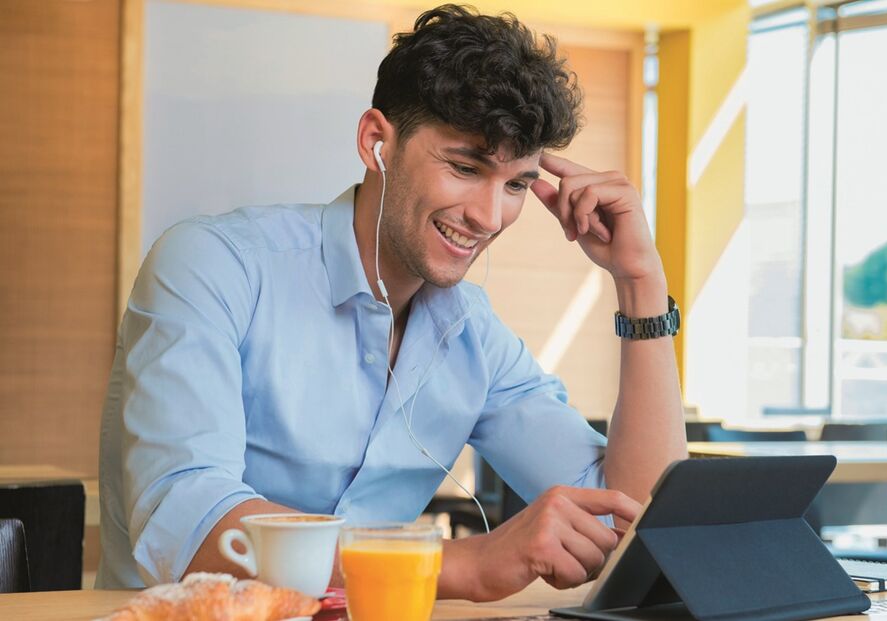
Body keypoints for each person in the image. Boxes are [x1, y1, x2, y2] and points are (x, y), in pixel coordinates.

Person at [96, 4, 687, 601]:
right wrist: (460, 563)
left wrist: (640, 283)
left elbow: (633, 523)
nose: (488, 217)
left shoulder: (473, 334)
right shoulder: (212, 265)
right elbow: (188, 518)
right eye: (464, 167)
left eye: (514, 185)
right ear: (376, 141)